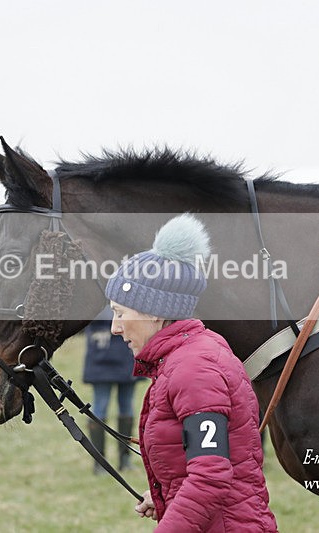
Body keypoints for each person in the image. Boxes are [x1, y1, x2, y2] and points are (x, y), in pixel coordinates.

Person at [105, 214, 278, 532]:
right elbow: (204, 463)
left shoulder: (194, 370)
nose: (115, 327)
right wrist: (167, 500)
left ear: (154, 311)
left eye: (120, 313)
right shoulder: (189, 356)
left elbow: (210, 476)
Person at [82, 306, 139, 474]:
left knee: (127, 406)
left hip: (127, 357)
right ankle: (100, 462)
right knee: (100, 406)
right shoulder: (96, 299)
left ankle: (125, 459)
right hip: (101, 358)